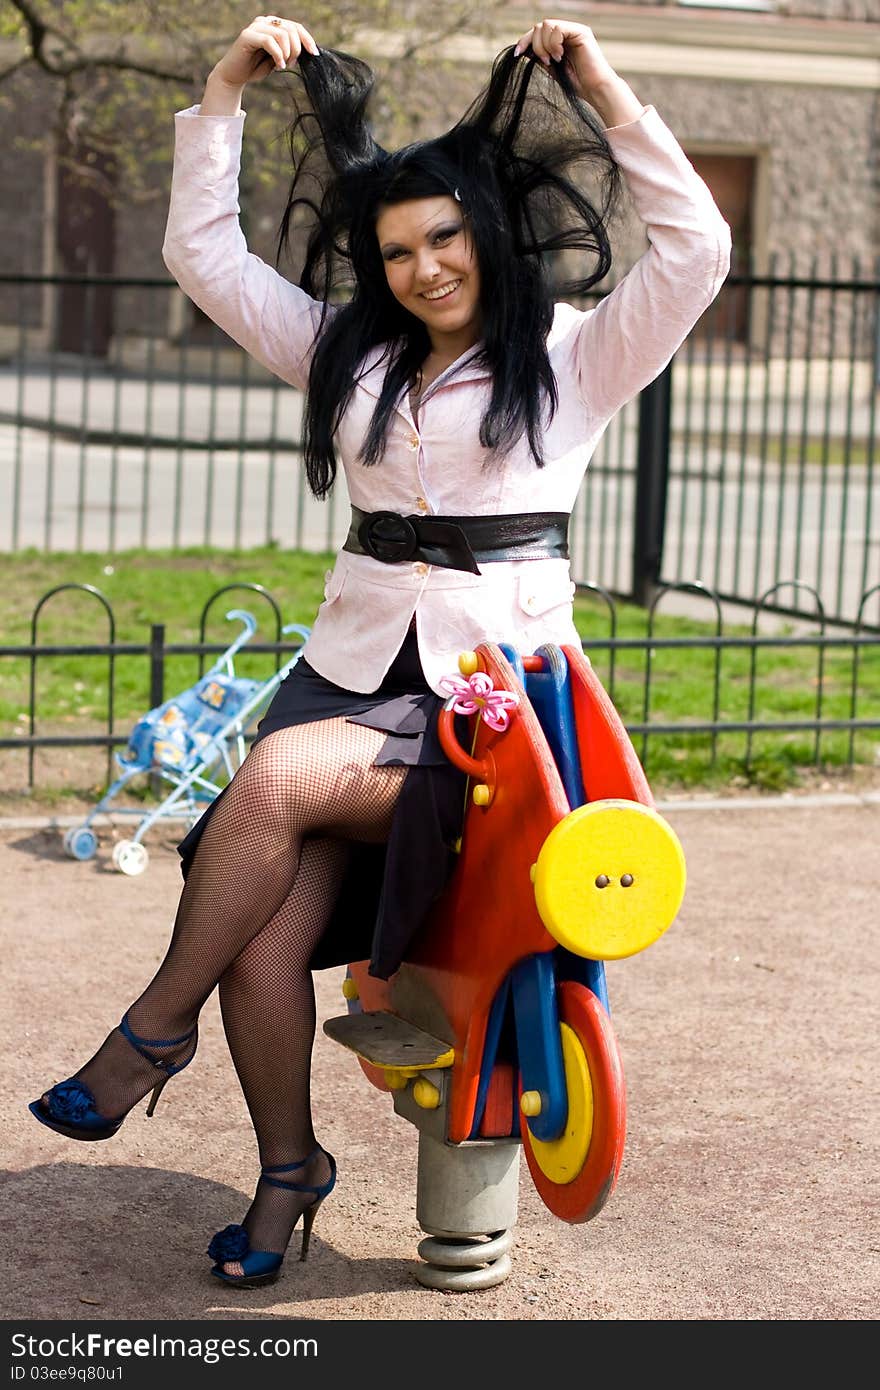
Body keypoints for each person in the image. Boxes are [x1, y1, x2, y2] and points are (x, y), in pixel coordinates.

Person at [29, 14, 730, 1289]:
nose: (422, 267)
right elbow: (205, 254)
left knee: (275, 780)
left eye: (444, 238)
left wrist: (608, 88)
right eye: (397, 248)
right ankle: (288, 1166)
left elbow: (697, 248)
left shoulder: (573, 358)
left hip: (485, 707)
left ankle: (149, 1033)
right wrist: (222, 92)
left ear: (485, 234)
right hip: (350, 671)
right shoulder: (342, 352)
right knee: (260, 932)